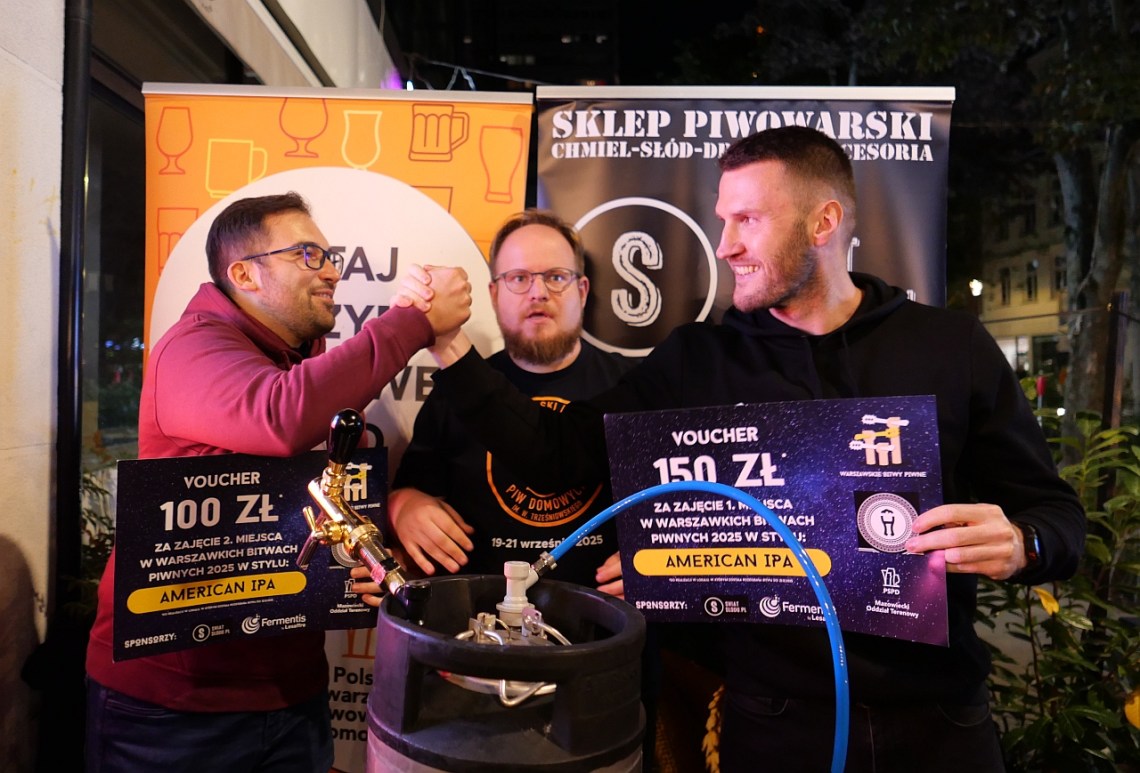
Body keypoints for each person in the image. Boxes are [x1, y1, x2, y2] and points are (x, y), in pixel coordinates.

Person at [399, 126, 1087, 772]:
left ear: (823, 223)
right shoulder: (696, 361)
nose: (725, 245)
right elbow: (554, 456)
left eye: (748, 220)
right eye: (722, 220)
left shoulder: (950, 348)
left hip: (941, 721)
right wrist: (448, 345)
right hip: (774, 720)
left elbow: (1057, 518)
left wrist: (1020, 543)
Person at [84, 192, 472, 772]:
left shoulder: (303, 362)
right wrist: (413, 322)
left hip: (292, 691)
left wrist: (380, 516)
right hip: (174, 706)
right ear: (244, 274)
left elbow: (319, 483)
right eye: (308, 255)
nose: (332, 271)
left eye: (330, 256)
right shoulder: (192, 348)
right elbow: (278, 416)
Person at [364, 209, 634, 591]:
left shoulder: (632, 385)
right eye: (519, 278)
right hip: (479, 617)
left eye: (556, 277)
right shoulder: (455, 389)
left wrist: (655, 558)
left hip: (604, 617)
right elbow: (411, 487)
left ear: (583, 290)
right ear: (493, 294)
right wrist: (402, 507)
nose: (538, 292)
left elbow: (677, 504)